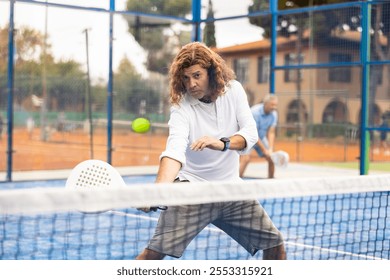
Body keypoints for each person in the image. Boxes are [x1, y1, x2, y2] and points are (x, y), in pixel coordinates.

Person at [136, 42, 286, 260]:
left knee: (275, 244)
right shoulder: (181, 108)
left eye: (197, 75)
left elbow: (250, 132)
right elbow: (174, 150)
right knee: (152, 255)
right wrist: (157, 191)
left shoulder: (234, 90)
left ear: (212, 73)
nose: (191, 84)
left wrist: (222, 142)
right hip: (192, 192)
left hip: (231, 191)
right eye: (186, 78)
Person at [239, 94, 278, 178]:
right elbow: (254, 133)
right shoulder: (254, 112)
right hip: (249, 137)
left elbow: (271, 132)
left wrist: (270, 149)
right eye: (272, 105)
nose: (274, 107)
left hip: (261, 137)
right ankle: (237, 181)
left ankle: (271, 181)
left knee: (272, 159)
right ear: (265, 104)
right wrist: (264, 150)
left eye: (275, 105)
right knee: (245, 159)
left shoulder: (274, 114)